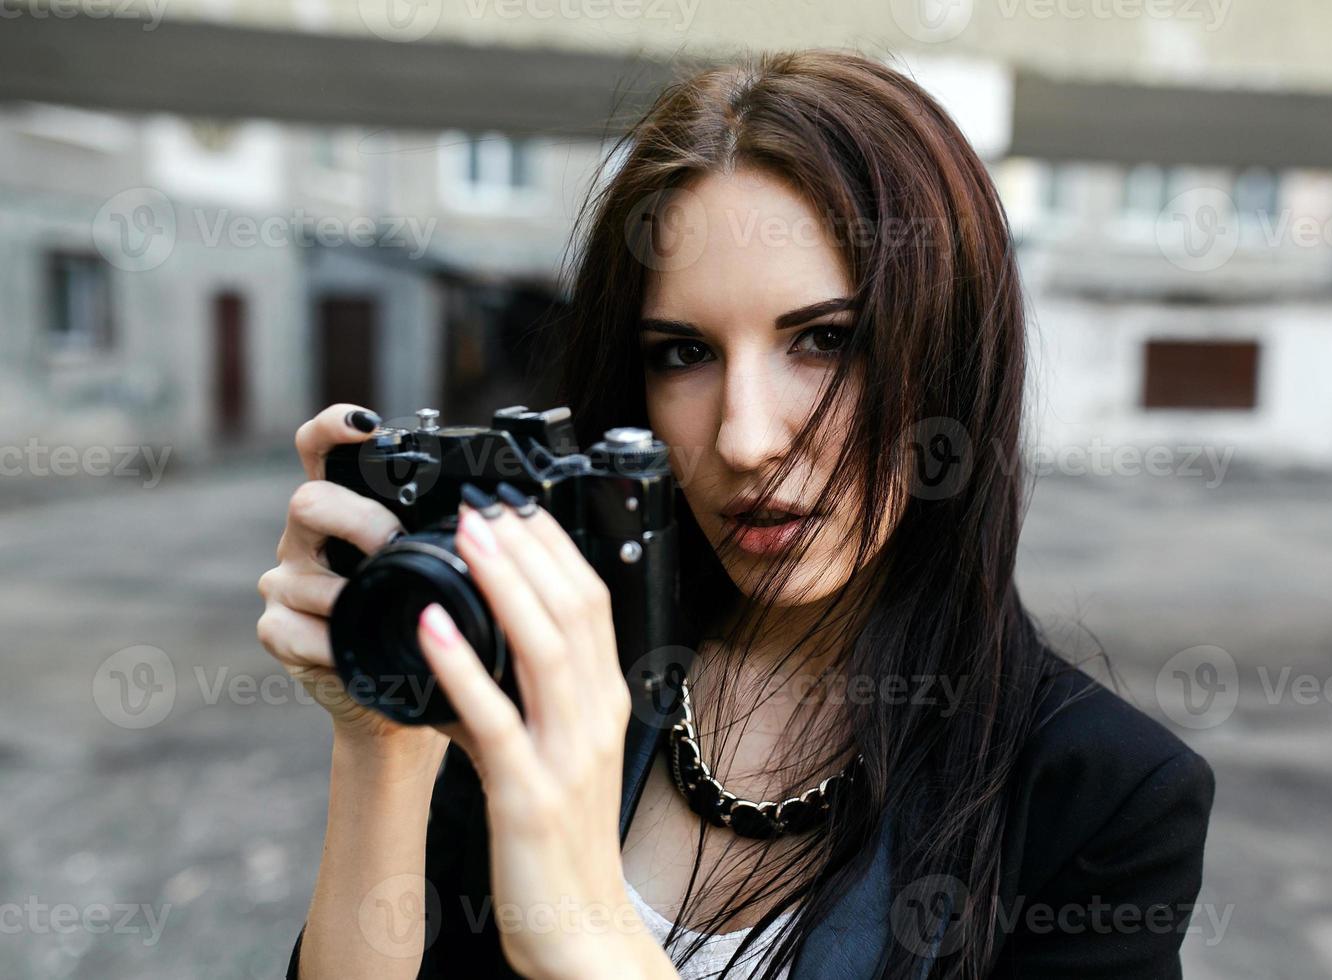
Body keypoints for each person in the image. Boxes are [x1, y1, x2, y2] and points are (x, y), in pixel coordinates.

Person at [256, 49, 1214, 980]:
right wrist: (382, 741)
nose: (747, 438)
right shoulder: (548, 659)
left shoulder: (1102, 797)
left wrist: (592, 938)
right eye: (683, 354)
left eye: (826, 340)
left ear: (953, 363)